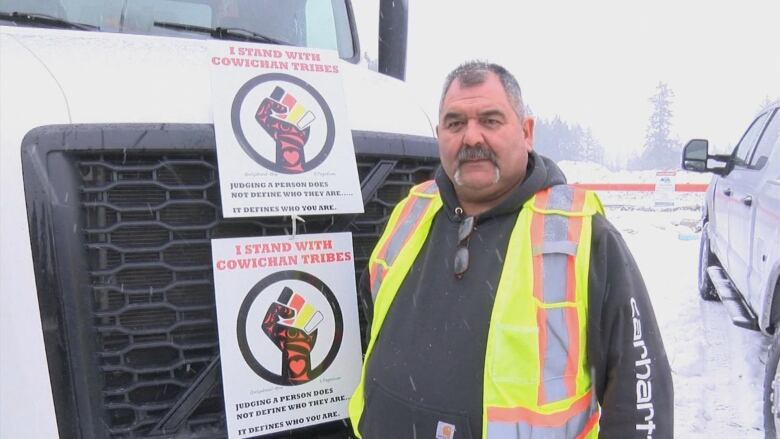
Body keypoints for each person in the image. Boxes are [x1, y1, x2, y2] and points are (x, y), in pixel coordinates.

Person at [348, 61, 673, 438]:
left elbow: (638, 390)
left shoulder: (582, 234)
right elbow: (371, 317)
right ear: (440, 135)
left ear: (526, 131)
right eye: (455, 124)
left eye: (490, 121)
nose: (471, 138)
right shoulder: (411, 211)